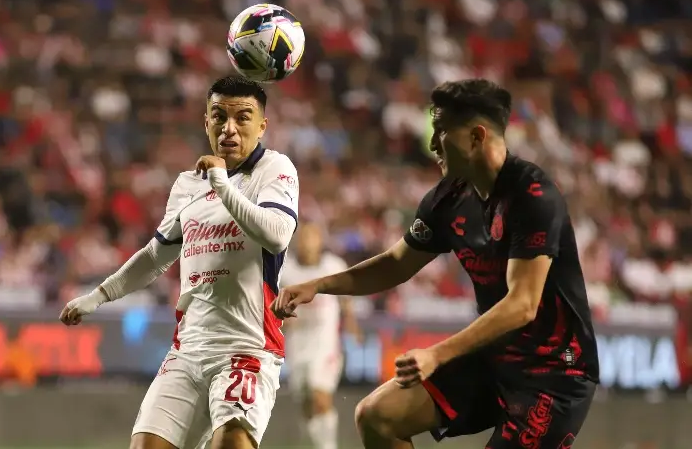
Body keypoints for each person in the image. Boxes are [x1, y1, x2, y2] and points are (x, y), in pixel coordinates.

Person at [272, 79, 599, 449]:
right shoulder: (448, 198)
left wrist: (437, 353)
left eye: (441, 131)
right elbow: (396, 264)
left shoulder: (532, 195)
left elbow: (523, 304)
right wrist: (319, 284)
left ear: (477, 136)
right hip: (494, 361)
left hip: (554, 374)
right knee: (378, 416)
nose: (431, 144)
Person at [59, 75, 299, 449]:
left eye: (243, 117)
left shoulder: (275, 169)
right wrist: (98, 296)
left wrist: (222, 183)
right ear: (206, 122)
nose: (229, 128)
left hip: (246, 349)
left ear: (262, 125)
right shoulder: (189, 184)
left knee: (232, 444)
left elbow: (276, 234)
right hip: (188, 349)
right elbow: (156, 256)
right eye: (219, 116)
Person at [279, 222, 362, 449]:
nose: (307, 242)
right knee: (306, 402)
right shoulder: (287, 271)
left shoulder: (332, 266)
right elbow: (278, 308)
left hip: (325, 342)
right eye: (304, 238)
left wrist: (352, 326)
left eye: (312, 237)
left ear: (320, 241)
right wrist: (283, 322)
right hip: (298, 343)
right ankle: (314, 444)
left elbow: (346, 298)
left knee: (319, 395)